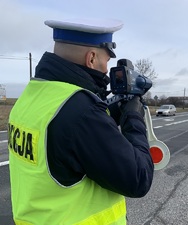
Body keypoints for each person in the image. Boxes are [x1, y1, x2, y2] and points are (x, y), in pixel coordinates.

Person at [8, 18, 154, 225]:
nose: (106, 70)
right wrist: (133, 117)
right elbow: (139, 179)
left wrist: (106, 113)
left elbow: (64, 139)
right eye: (106, 60)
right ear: (92, 58)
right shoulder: (82, 112)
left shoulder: (31, 96)